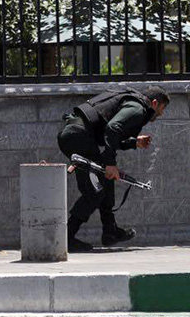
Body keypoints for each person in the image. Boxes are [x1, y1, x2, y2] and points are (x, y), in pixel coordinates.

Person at [57, 84, 169, 252]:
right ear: (154, 103)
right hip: (78, 136)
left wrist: (134, 142)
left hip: (76, 134)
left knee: (105, 180)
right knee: (95, 191)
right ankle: (66, 238)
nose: (161, 113)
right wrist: (110, 163)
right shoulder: (138, 108)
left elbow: (108, 133)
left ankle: (110, 231)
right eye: (162, 108)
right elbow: (113, 128)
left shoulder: (132, 102)